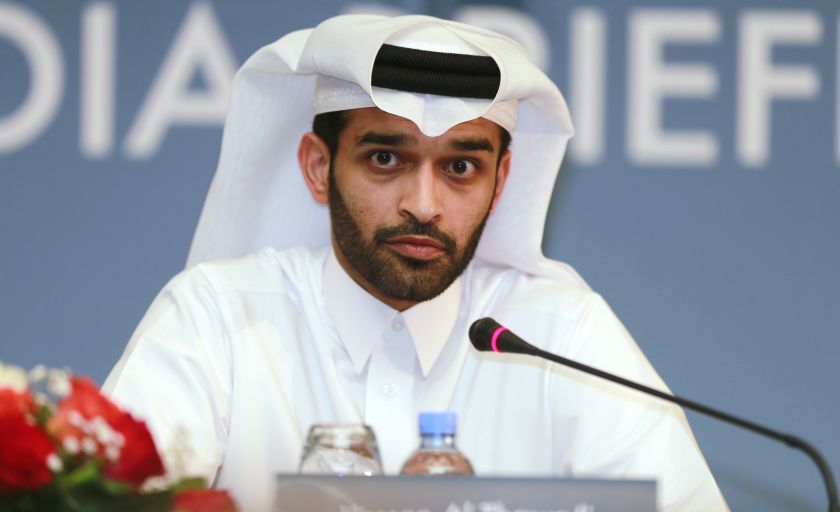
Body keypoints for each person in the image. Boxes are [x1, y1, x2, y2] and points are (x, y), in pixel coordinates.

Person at [103, 14, 729, 512]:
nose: (423, 205)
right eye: (385, 159)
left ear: (500, 180)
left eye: (461, 167)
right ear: (319, 167)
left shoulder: (562, 337)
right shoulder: (216, 319)